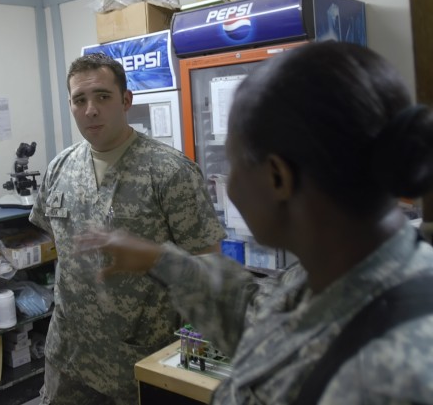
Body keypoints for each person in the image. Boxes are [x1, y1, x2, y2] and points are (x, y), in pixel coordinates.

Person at [77, 41, 433, 404]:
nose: (228, 185)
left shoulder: (381, 378)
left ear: (277, 177)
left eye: (232, 164)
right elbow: (256, 316)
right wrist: (159, 259)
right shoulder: (334, 271)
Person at [29, 52, 225, 404]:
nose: (91, 109)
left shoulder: (169, 172)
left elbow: (207, 267)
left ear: (126, 100)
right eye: (80, 100)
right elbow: (58, 244)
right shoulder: (60, 168)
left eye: (103, 96)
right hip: (68, 356)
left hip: (139, 360)